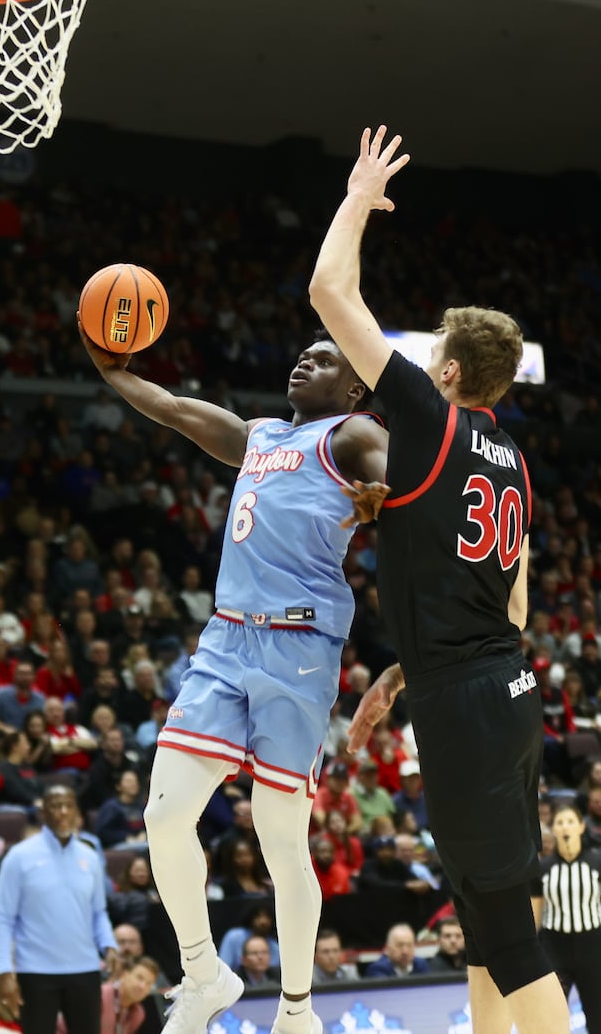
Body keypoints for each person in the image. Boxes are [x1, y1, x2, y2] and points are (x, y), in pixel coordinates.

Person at [325, 128, 569, 1033]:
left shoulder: (430, 416)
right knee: (480, 914)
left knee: (504, 930)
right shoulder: (513, 459)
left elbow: (329, 293)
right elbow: (513, 605)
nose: (423, 368)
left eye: (433, 358)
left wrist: (358, 197)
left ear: (452, 372)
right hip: (502, 688)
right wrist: (404, 672)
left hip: (468, 702)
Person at [84, 307, 387, 1034]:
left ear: (353, 389)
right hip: (225, 642)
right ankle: (203, 972)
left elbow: (406, 487)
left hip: (300, 647)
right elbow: (178, 410)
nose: (303, 365)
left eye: (323, 361)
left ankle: (296, 1009)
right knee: (162, 815)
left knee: (283, 840)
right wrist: (110, 367)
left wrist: (392, 499)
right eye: (303, 356)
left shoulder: (353, 433)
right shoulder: (261, 434)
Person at [0, 786, 119, 1034]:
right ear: (42, 812)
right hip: (35, 971)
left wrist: (109, 944)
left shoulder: (90, 857)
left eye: (68, 805)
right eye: (55, 806)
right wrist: (4, 969)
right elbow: (4, 918)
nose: (62, 812)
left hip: (85, 969)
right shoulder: (18, 857)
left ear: (76, 812)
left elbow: (99, 913)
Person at [530, 806, 601, 1034]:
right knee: (551, 1023)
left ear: (581, 827)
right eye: (559, 822)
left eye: (570, 821)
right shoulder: (542, 869)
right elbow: (533, 920)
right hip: (553, 949)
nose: (565, 826)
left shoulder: (598, 864)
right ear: (553, 830)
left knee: (599, 1022)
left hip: (593, 949)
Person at [362, 925, 427, 979]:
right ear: (387, 949)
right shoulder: (378, 969)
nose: (405, 951)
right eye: (399, 945)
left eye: (409, 945)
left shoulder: (421, 965)